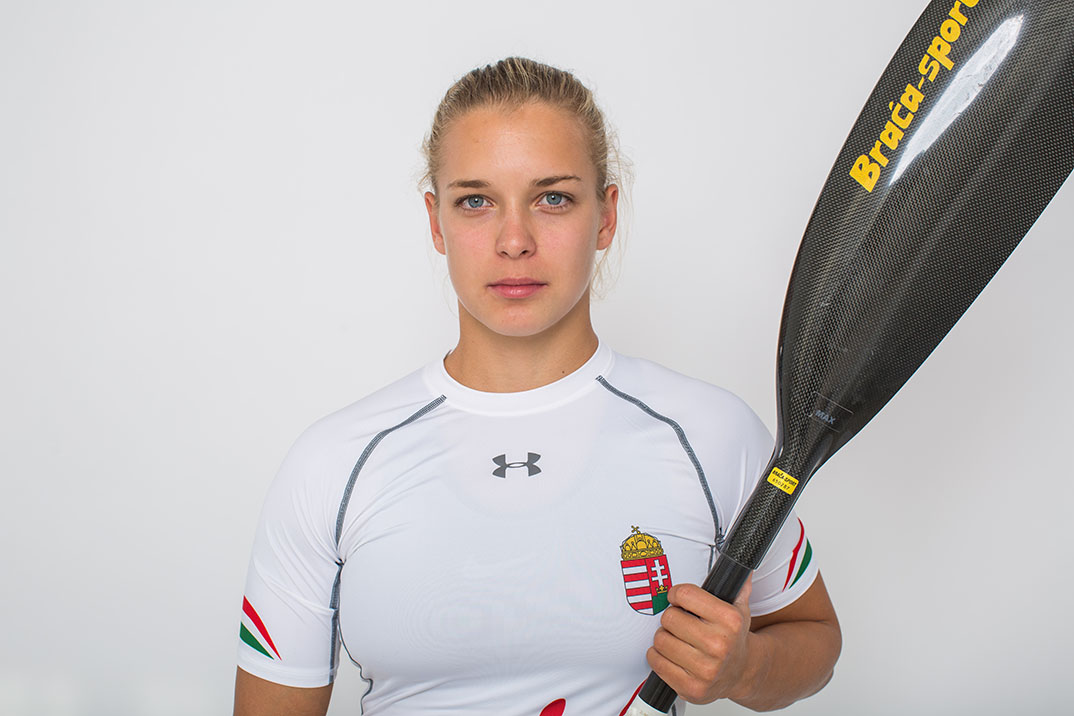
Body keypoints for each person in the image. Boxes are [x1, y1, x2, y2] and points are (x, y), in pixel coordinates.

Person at [234, 57, 841, 716]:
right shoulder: (334, 463)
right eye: (476, 201)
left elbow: (812, 637)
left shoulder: (712, 434)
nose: (515, 240)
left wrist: (746, 669)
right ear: (436, 221)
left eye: (553, 198)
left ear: (605, 216)